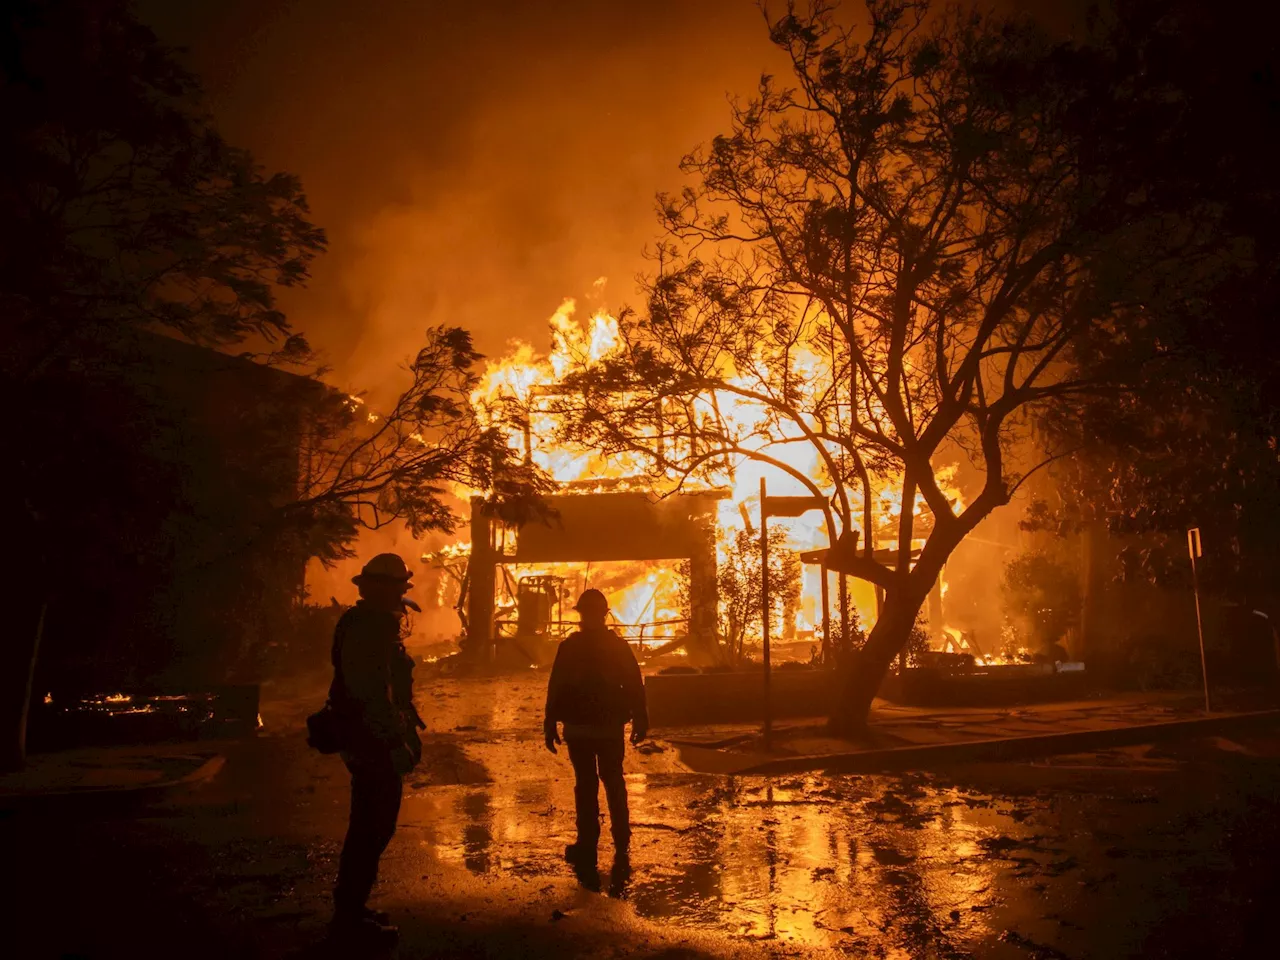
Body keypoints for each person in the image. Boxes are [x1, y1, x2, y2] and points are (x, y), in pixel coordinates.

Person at [327, 552, 420, 947]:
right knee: (372, 828)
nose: (401, 597)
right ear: (385, 590)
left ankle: (353, 908)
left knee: (371, 826)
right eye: (398, 588)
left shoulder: (361, 622)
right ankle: (348, 921)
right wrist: (394, 741)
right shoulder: (371, 629)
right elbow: (373, 693)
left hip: (363, 737)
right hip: (371, 741)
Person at [543, 588, 649, 874]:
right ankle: (616, 840)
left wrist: (550, 721)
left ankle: (591, 843)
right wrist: (640, 718)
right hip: (604, 726)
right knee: (609, 781)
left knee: (590, 784)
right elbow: (634, 683)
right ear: (604, 615)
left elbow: (557, 686)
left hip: (584, 727)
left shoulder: (570, 647)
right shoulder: (616, 646)